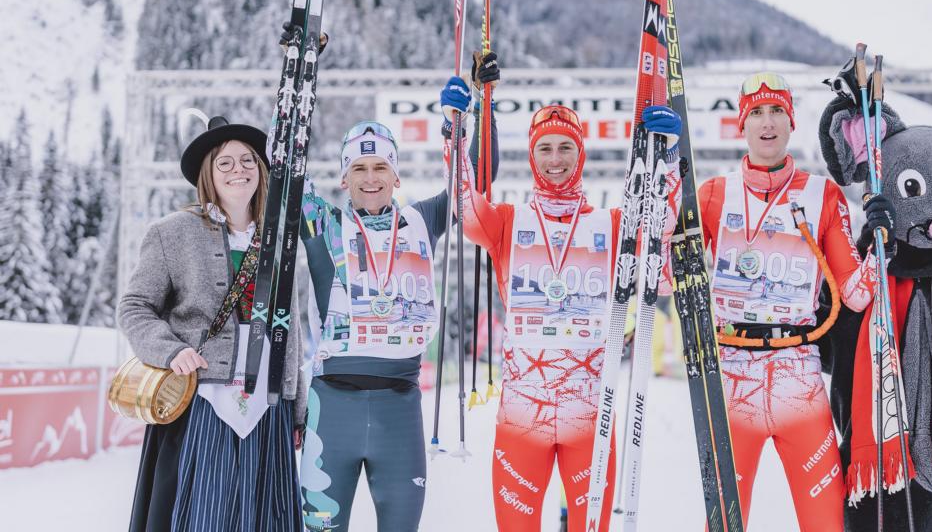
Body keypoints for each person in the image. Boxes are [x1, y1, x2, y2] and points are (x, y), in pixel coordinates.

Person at [296, 54, 500, 532]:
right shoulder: (321, 222)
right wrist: (298, 73)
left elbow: (476, 181)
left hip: (400, 408)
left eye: (381, 166)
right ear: (344, 176)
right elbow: (284, 170)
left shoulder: (421, 222)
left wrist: (476, 111)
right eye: (360, 168)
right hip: (332, 407)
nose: (370, 178)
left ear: (396, 174)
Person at [459, 102, 683, 532]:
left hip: (590, 419)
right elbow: (467, 211)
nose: (556, 159)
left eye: (566, 147)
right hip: (523, 420)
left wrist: (669, 162)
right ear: (532, 155)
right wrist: (457, 133)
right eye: (545, 148)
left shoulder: (611, 224)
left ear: (581, 154)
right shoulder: (508, 220)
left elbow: (659, 242)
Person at [696, 72, 886, 532]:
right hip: (731, 382)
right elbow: (665, 283)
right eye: (757, 112)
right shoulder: (713, 195)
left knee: (827, 523)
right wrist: (662, 214)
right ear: (742, 124)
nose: (767, 122)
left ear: (790, 120)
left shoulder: (822, 195)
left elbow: (856, 297)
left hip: (798, 382)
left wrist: (881, 243)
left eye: (777, 110)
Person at [119, 116, 306, 532]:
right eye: (225, 163)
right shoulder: (172, 233)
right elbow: (134, 307)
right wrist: (171, 350)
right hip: (201, 400)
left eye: (247, 161)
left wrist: (296, 405)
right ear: (208, 174)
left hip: (268, 402)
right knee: (203, 513)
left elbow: (290, 330)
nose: (238, 170)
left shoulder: (281, 240)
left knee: (265, 516)